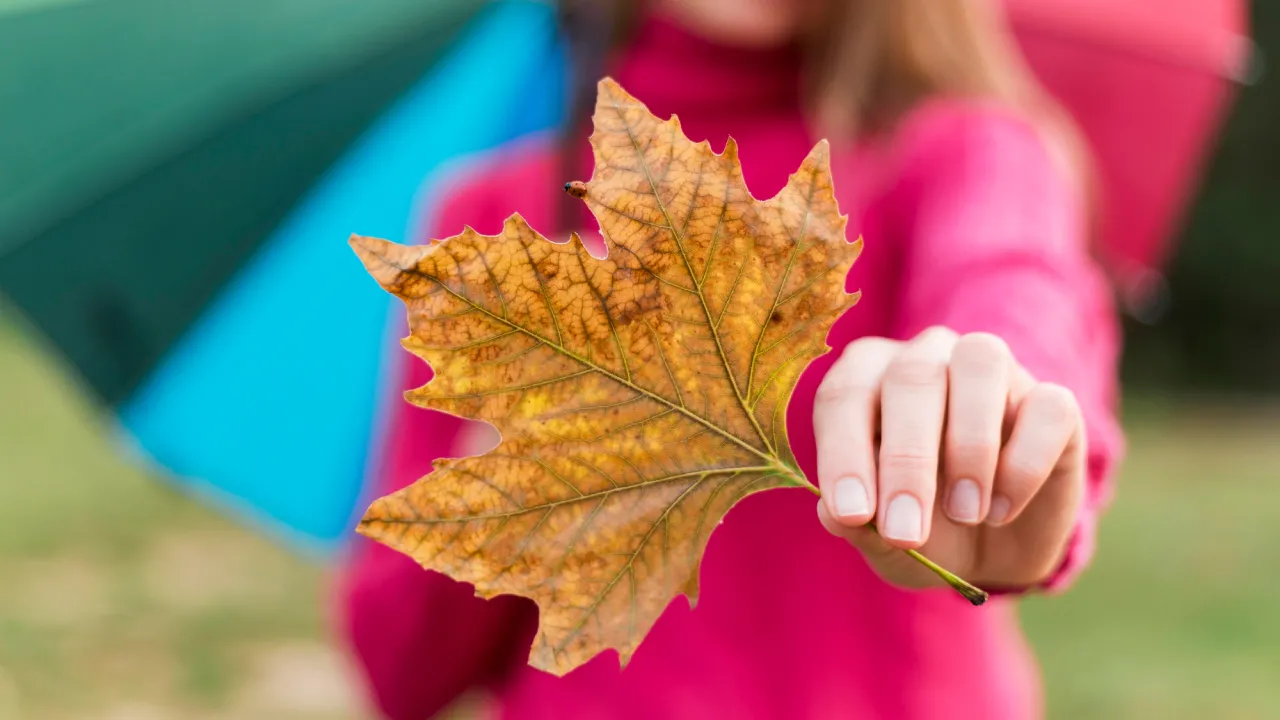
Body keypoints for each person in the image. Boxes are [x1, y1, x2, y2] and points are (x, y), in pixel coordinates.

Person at [339, 0, 1123, 717]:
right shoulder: (494, 222)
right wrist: (513, 450)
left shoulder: (964, 155)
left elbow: (1009, 288)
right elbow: (399, 673)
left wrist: (994, 411)